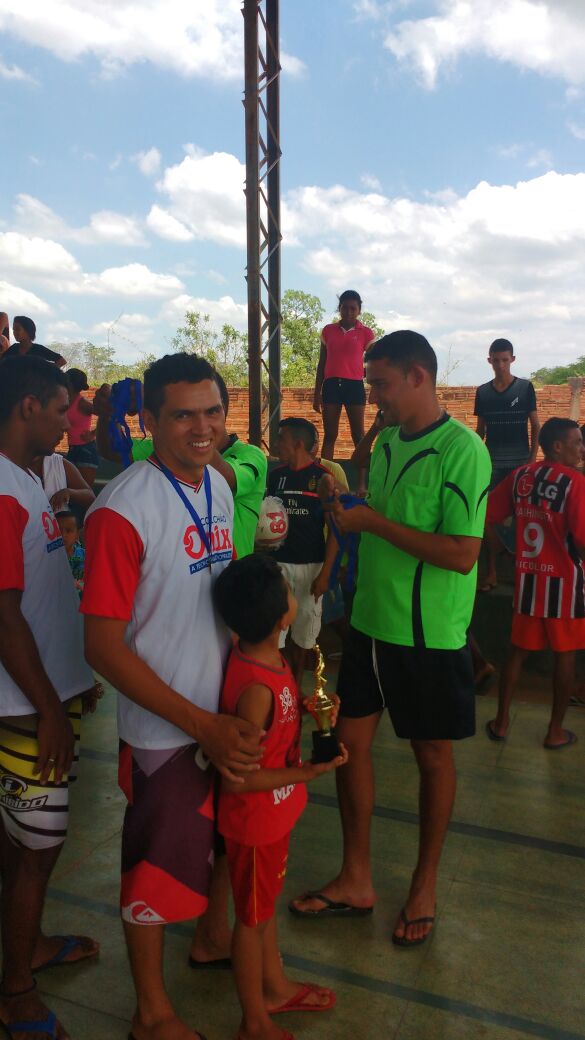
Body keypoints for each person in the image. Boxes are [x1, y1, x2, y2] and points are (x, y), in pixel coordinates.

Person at [82, 352, 264, 1040]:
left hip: (222, 714)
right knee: (153, 870)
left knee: (221, 845)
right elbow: (101, 647)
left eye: (213, 412)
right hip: (166, 731)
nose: (202, 427)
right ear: (149, 420)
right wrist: (200, 724)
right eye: (182, 414)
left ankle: (212, 938)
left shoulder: (217, 485)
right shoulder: (121, 511)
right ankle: (150, 1011)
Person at [289, 331, 491, 947]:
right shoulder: (382, 448)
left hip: (427, 635)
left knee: (433, 755)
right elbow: (380, 518)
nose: (371, 396)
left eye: (379, 384)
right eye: (370, 384)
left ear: (418, 377)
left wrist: (372, 520)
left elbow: (462, 554)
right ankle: (357, 876)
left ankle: (424, 883)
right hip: (371, 624)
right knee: (349, 748)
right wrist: (349, 511)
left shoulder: (463, 451)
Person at [0, 357, 99, 1040]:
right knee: (38, 849)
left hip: (41, 696)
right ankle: (14, 990)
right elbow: (3, 616)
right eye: (61, 408)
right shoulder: (2, 491)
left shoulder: (34, 480)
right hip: (21, 706)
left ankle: (23, 947)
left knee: (20, 847)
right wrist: (47, 709)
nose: (70, 422)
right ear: (29, 406)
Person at [214, 554, 345, 1040]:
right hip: (254, 824)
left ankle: (274, 987)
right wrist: (305, 772)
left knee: (264, 908)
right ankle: (254, 1021)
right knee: (250, 920)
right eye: (290, 592)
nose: (295, 597)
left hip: (274, 819)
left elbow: (274, 727)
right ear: (282, 617)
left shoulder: (269, 658)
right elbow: (239, 779)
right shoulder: (255, 687)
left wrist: (311, 711)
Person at [485, 417, 585, 749]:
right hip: (565, 586)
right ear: (557, 446)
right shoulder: (575, 483)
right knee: (566, 657)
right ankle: (554, 731)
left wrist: (507, 550)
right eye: (577, 442)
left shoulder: (521, 477)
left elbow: (487, 515)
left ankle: (500, 723)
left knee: (517, 654)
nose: (581, 448)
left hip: (529, 582)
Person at [94, 371, 266, 559]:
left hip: (235, 580)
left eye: (207, 410)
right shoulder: (168, 450)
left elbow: (224, 479)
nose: (197, 424)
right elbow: (112, 449)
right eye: (183, 413)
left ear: (221, 409)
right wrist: (110, 413)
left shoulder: (251, 455)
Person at [266, 417, 338, 690]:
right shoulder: (275, 477)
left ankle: (294, 693)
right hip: (279, 568)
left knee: (303, 640)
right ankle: (278, 691)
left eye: (281, 439)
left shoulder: (323, 478)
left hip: (311, 568)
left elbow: (335, 531)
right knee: (276, 636)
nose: (276, 445)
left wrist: (326, 574)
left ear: (297, 444)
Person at [475, 338, 539, 591]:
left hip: (519, 464)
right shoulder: (483, 392)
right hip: (491, 463)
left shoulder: (525, 388)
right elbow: (480, 431)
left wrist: (532, 460)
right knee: (489, 517)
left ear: (513, 360)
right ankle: (491, 572)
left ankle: (522, 573)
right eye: (496, 360)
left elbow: (536, 425)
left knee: (523, 517)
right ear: (489, 360)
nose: (500, 365)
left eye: (505, 360)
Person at [313, 290, 376, 488]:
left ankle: (363, 484)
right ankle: (326, 479)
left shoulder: (366, 333)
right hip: (331, 385)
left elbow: (374, 360)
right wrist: (317, 393)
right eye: (344, 307)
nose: (348, 312)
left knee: (359, 435)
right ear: (339, 308)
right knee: (330, 434)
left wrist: (374, 386)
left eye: (352, 308)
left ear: (358, 310)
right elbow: (322, 363)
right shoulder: (328, 331)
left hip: (354, 385)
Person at [65, 368, 100, 488]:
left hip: (86, 450)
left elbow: (108, 415)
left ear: (69, 383)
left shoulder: (82, 403)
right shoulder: (66, 401)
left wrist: (93, 433)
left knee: (84, 490)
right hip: (72, 449)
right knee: (71, 489)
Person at [1, 316, 66, 368]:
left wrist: (45, 373)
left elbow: (61, 361)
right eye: (14, 330)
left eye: (18, 329)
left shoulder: (39, 349)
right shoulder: (13, 348)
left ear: (27, 331)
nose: (14, 332)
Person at [56, 510, 86, 597]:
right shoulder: (47, 560)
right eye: (58, 530)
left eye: (68, 531)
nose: (63, 535)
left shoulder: (87, 556)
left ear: (77, 534)